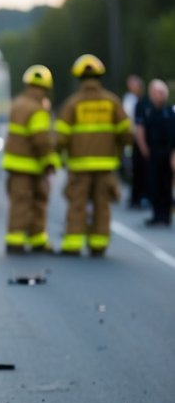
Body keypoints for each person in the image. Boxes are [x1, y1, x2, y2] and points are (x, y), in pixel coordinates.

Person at [55, 54, 132, 257]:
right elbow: (127, 133)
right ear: (100, 77)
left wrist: (58, 155)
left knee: (77, 205)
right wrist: (120, 148)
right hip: (105, 165)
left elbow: (61, 137)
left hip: (79, 167)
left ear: (79, 78)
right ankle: (98, 244)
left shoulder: (72, 104)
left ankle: (73, 244)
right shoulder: (112, 102)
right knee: (102, 205)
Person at [2, 65, 59, 253]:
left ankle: (19, 239)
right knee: (36, 203)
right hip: (31, 166)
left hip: (14, 165)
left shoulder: (17, 104)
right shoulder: (37, 110)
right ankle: (28, 241)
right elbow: (41, 140)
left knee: (19, 203)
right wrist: (50, 162)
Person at [138, 79, 175, 227]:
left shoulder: (170, 111)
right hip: (152, 153)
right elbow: (141, 130)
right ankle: (156, 214)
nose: (155, 96)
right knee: (153, 183)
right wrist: (144, 147)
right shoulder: (148, 111)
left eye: (158, 93)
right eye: (153, 93)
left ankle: (165, 215)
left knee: (166, 185)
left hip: (166, 153)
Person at [121, 74, 148, 209]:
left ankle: (140, 195)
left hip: (140, 137)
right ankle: (135, 196)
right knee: (132, 166)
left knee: (139, 167)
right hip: (132, 138)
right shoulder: (129, 100)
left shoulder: (142, 100)